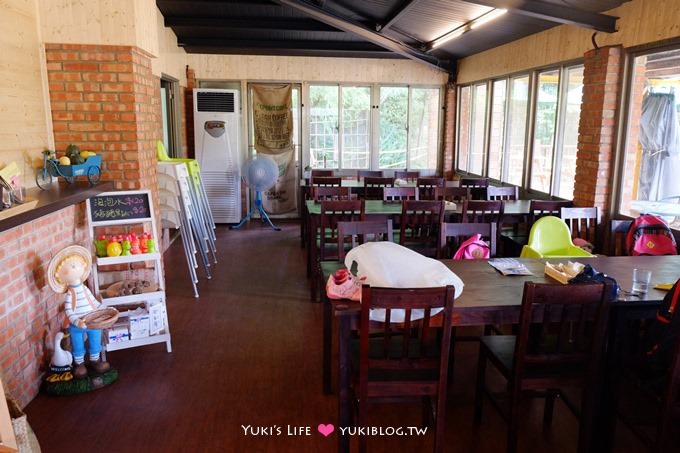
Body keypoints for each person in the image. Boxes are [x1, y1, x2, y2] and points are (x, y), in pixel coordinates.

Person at [47, 245, 110, 379]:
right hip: (77, 325)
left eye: (76, 264)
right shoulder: (70, 294)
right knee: (77, 343)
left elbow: (93, 302)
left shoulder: (85, 289)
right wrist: (76, 321)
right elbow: (69, 310)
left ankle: (95, 360)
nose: (75, 267)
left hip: (92, 321)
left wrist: (105, 309)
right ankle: (79, 364)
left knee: (95, 339)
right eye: (71, 266)